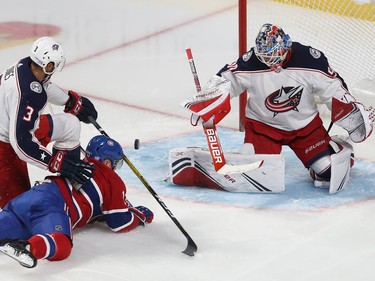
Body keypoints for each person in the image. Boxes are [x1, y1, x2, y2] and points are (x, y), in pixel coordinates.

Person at [181, 23, 374, 194]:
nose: (270, 61)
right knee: (252, 173)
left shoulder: (309, 59)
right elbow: (226, 80)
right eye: (265, 56)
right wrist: (207, 101)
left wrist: (350, 112)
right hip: (263, 128)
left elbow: (332, 87)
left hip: (305, 129)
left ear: (285, 45)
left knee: (327, 172)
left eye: (274, 54)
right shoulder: (250, 62)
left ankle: (337, 147)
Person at [0, 135, 154, 268]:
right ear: (107, 162)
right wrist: (141, 215)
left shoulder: (77, 164)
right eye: (115, 163)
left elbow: (98, 206)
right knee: (61, 243)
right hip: (52, 204)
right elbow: (120, 222)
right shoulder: (111, 178)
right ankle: (27, 247)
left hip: (29, 197)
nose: (114, 168)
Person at [0, 36, 98, 207]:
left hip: (16, 129)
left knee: (70, 125)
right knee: (22, 213)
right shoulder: (28, 95)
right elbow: (21, 144)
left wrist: (70, 101)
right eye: (55, 64)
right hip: (5, 150)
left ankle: (69, 186)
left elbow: (43, 85)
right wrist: (55, 162)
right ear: (48, 64)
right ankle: (68, 172)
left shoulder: (26, 66)